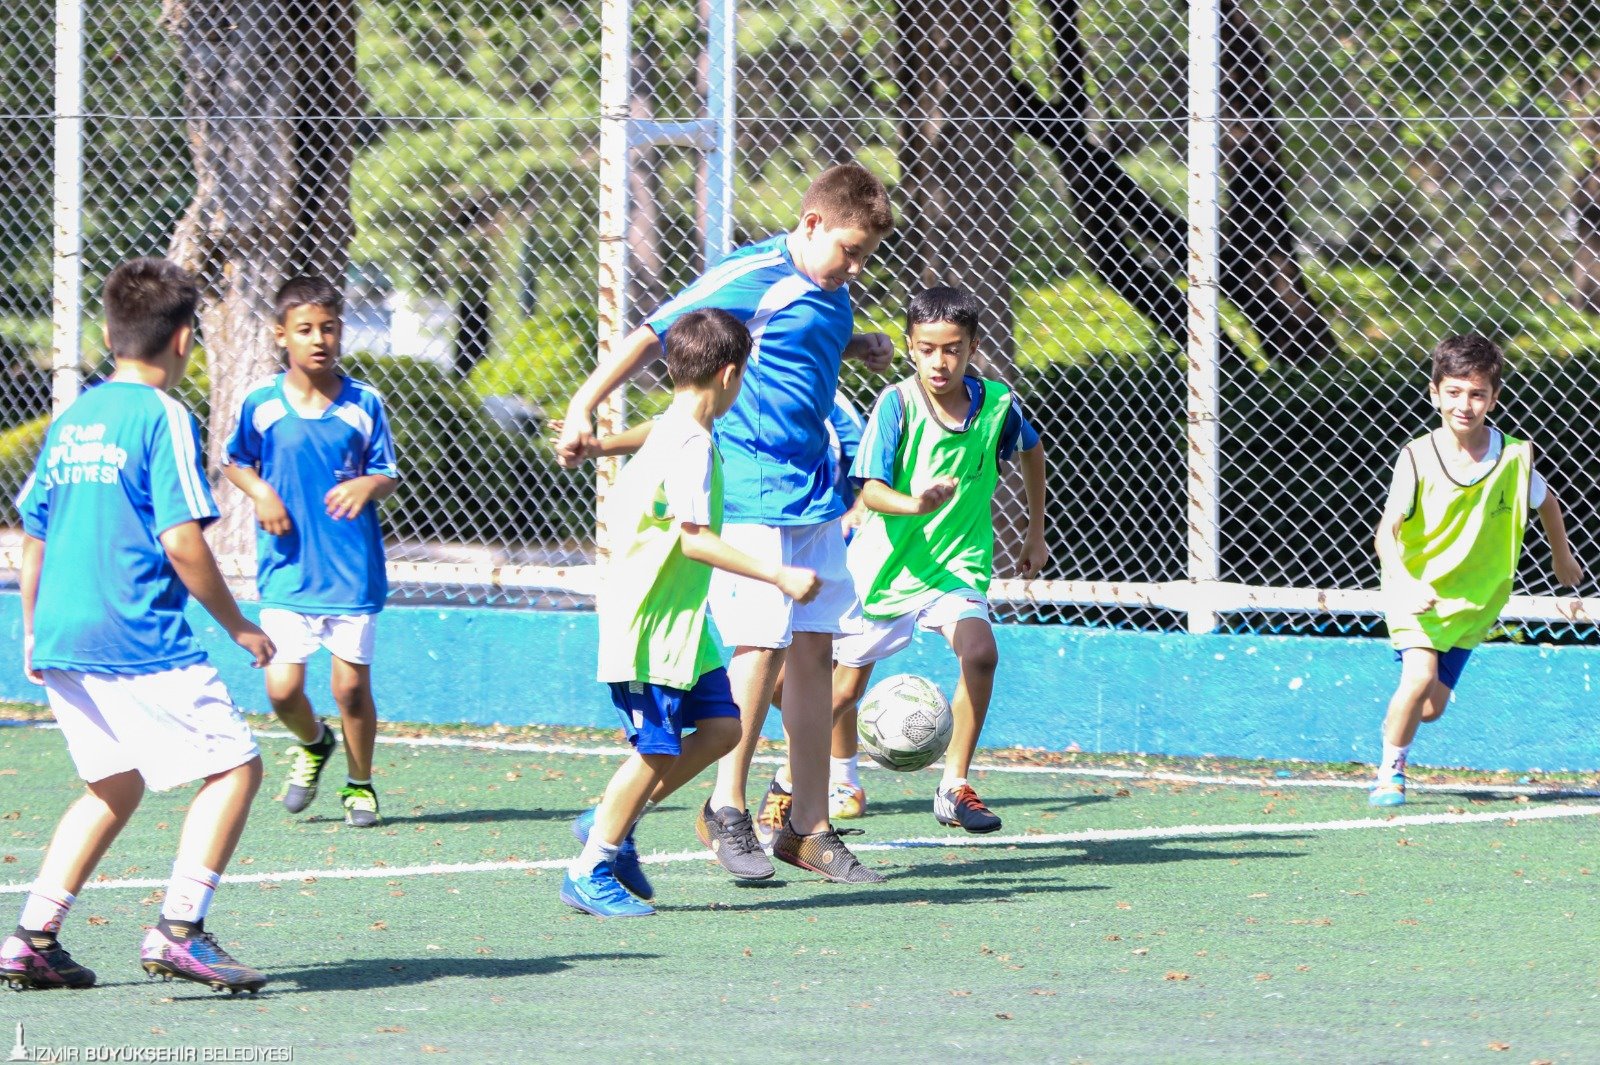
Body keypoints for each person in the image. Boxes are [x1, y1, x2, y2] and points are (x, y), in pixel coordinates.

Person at [557, 163, 895, 884]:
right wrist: (585, 403)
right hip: (750, 493)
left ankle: (808, 826)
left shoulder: (833, 289)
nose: (856, 267)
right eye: (850, 251)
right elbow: (655, 334)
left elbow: (797, 341)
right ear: (811, 224)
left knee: (815, 654)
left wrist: (857, 343)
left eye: (866, 256)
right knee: (758, 647)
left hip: (814, 494)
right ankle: (726, 806)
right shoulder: (752, 274)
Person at [0, 258, 274, 993]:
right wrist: (239, 625)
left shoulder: (73, 418)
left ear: (108, 334)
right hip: (133, 634)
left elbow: (34, 535)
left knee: (113, 785)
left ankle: (32, 937)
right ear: (185, 338)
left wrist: (31, 631)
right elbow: (181, 541)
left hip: (61, 634)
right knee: (236, 766)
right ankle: (180, 929)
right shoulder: (164, 415)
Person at [561, 308, 820, 917]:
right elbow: (695, 540)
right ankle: (590, 867)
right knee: (656, 748)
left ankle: (611, 819)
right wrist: (778, 574)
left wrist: (597, 443)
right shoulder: (693, 446)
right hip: (649, 625)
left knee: (724, 729)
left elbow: (649, 435)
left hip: (681, 626)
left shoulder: (675, 427)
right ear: (730, 375)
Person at [818, 285, 1047, 833]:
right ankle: (809, 779)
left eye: (952, 349)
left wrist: (1035, 531)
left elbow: (1033, 451)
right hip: (887, 566)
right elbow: (872, 491)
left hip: (956, 563)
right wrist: (916, 504)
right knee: (843, 691)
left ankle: (954, 786)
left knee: (981, 653)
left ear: (972, 347)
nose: (939, 362)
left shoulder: (998, 405)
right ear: (910, 347)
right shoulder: (896, 404)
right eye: (926, 349)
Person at [1369, 333, 1583, 806]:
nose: (1464, 405)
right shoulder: (1416, 457)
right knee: (1417, 678)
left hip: (1475, 601)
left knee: (1429, 708)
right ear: (1434, 393)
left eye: (1476, 393)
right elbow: (1385, 535)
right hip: (1417, 591)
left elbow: (1548, 503)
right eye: (1453, 392)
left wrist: (1561, 555)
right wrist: (1406, 583)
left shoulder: (1514, 457)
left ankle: (1399, 720)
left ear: (1493, 397)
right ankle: (1390, 773)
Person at [223, 277, 399, 828]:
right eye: (304, 329)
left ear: (340, 331)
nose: (318, 339)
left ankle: (360, 784)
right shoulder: (261, 402)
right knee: (282, 690)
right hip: (287, 570)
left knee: (351, 689)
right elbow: (234, 461)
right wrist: (261, 493)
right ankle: (315, 741)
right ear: (282, 335)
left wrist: (366, 485)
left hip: (350, 573)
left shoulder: (364, 403)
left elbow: (387, 472)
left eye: (328, 328)